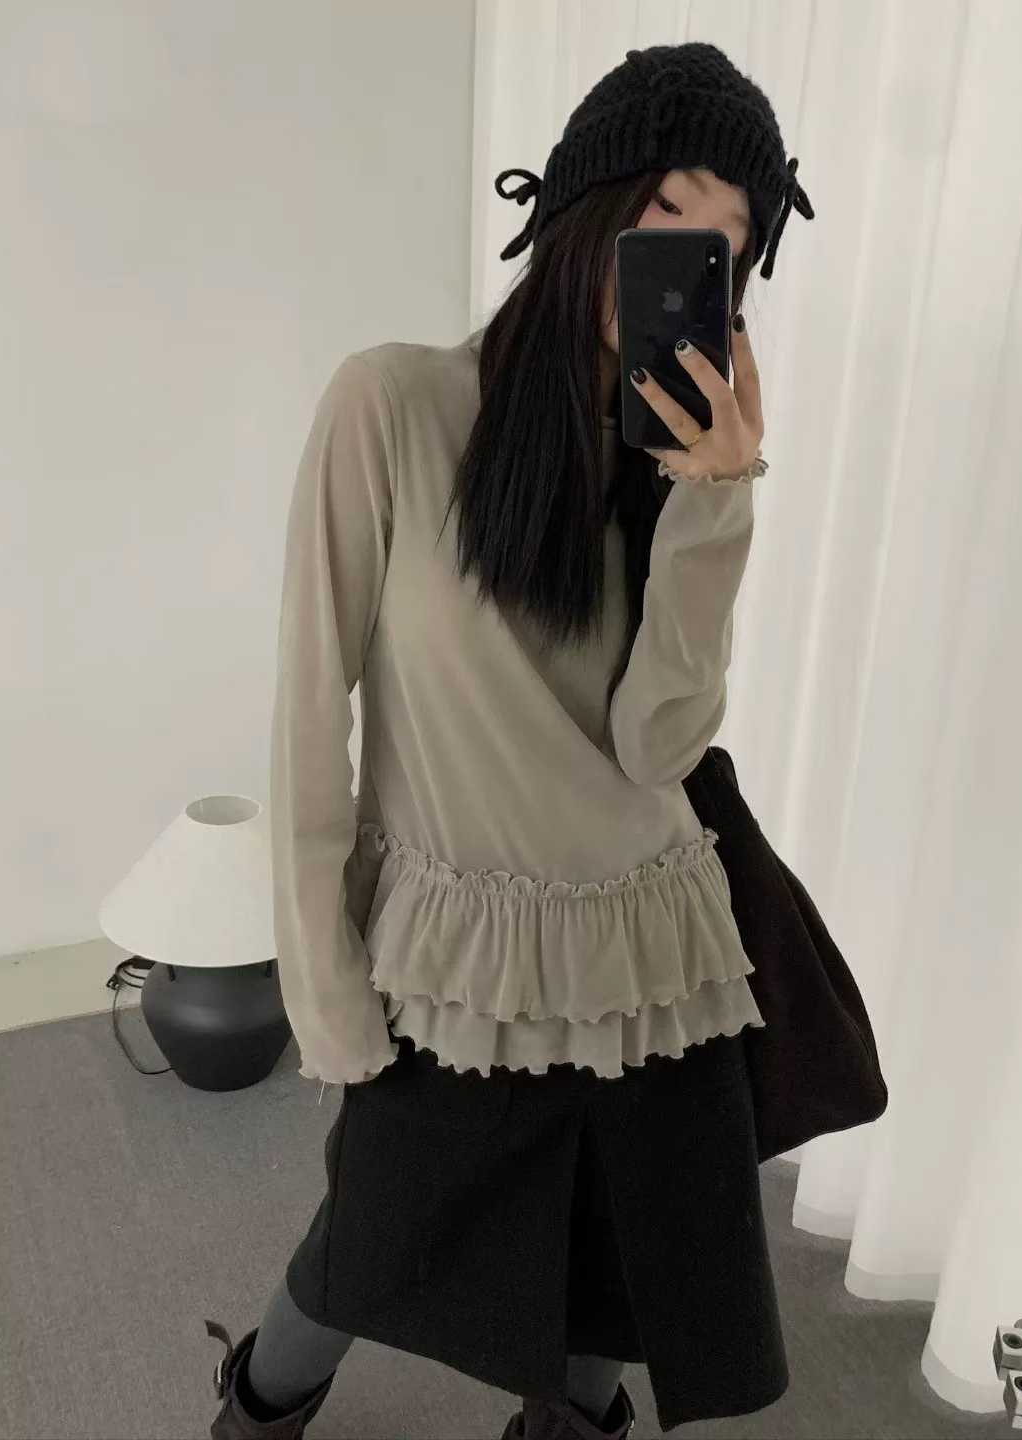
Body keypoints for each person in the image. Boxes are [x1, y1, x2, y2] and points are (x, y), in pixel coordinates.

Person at [206, 39, 814, 1440]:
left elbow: (658, 746)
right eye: (667, 211)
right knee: (365, 1248)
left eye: (725, 249)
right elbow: (309, 715)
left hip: (645, 947)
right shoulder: (391, 404)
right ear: (587, 196)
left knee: (607, 1277)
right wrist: (325, 983)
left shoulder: (676, 460)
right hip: (459, 950)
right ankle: (254, 1409)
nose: (688, 261)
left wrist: (718, 499)